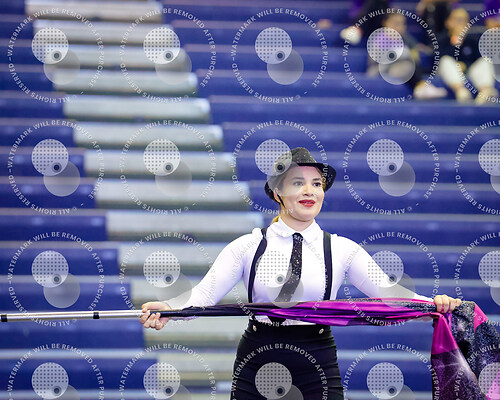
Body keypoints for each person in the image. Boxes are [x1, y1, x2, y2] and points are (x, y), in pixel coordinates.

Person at [141, 147, 462, 399]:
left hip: (317, 357)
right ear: (277, 192)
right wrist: (169, 308)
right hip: (258, 356)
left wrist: (433, 305)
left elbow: (390, 295)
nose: (310, 191)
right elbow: (204, 294)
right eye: (298, 183)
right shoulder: (247, 245)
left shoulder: (341, 249)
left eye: (317, 184)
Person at [437, 8, 499, 104]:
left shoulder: (473, 40)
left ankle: (485, 92)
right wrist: (456, 42)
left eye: (464, 20)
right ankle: (461, 92)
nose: (461, 23)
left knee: (485, 60)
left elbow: (477, 59)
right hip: (451, 73)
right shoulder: (441, 39)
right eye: (457, 20)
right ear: (448, 22)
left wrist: (465, 65)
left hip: (469, 70)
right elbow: (438, 59)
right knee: (445, 61)